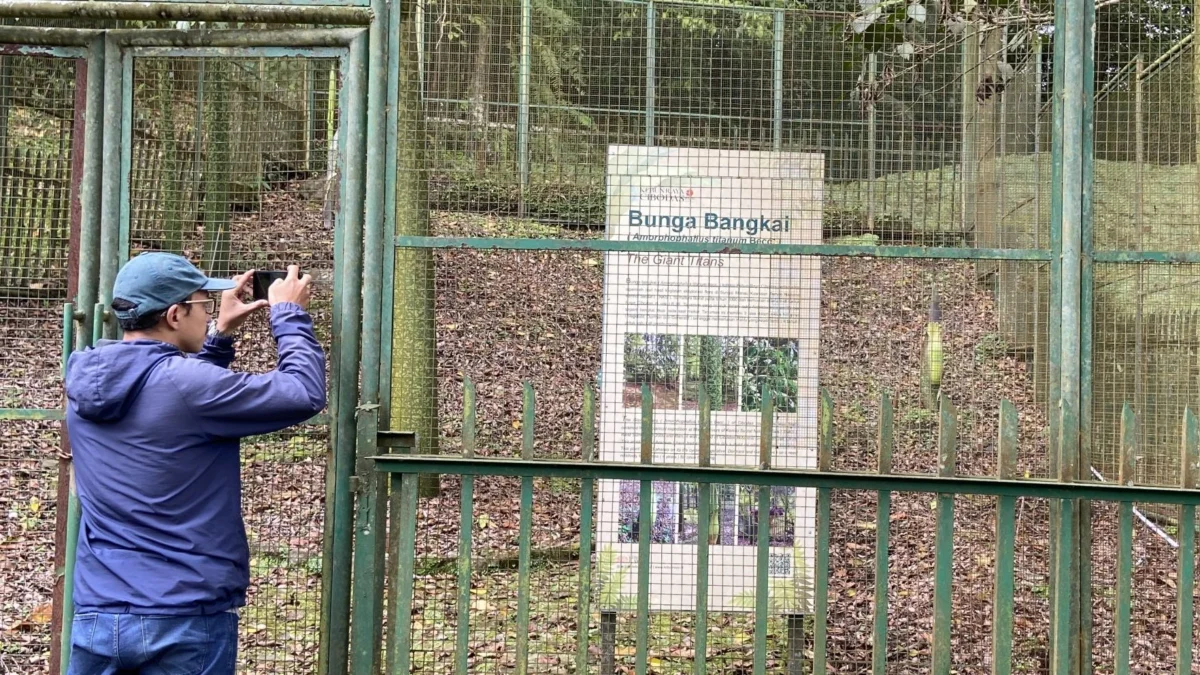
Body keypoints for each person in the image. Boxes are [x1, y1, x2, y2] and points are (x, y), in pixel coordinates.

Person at [64, 253, 327, 675]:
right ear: (174, 313)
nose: (208, 314)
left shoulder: (85, 380)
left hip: (98, 614)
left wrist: (219, 338)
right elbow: (303, 393)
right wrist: (289, 315)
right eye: (204, 305)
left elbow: (170, 402)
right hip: (182, 617)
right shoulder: (187, 386)